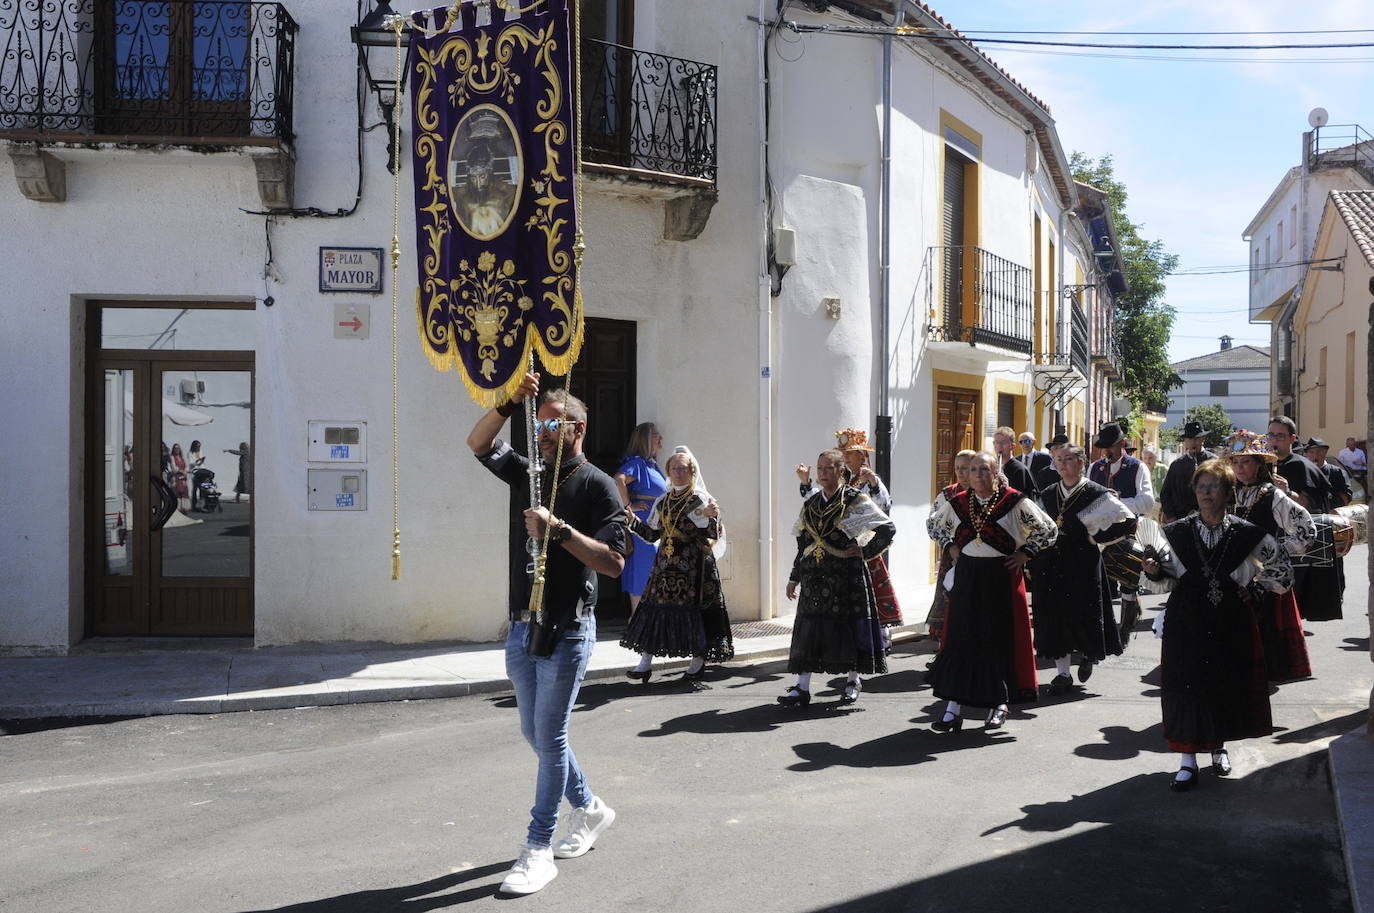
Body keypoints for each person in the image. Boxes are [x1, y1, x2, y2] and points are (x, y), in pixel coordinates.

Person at [466, 372, 628, 896]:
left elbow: (613, 563)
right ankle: (590, 808)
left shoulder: (599, 485)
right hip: (522, 623)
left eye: (551, 423)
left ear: (576, 427)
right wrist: (512, 400)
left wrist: (559, 531)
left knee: (550, 735)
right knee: (534, 735)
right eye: (538, 424)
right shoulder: (529, 473)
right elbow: (478, 443)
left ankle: (538, 847)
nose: (541, 431)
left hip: (569, 624)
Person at [1143, 459, 1292, 792]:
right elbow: (1157, 583)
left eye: (1213, 487)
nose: (1205, 493)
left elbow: (1282, 570)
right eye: (1200, 487)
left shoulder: (1247, 533)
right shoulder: (1176, 532)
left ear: (1228, 492)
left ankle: (1218, 747)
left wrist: (1254, 587)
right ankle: (1186, 760)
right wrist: (1153, 570)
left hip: (1230, 620)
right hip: (1187, 619)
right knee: (1186, 686)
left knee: (1223, 682)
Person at [925, 451, 1057, 731]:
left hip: (1001, 576)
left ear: (996, 472)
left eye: (984, 470)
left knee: (998, 640)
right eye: (973, 470)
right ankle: (952, 709)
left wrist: (1026, 553)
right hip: (969, 577)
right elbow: (933, 525)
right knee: (961, 640)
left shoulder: (1014, 501)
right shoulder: (958, 503)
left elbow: (1048, 529)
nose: (977, 475)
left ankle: (999, 703)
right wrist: (950, 547)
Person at [779, 449, 895, 709]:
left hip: (847, 578)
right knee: (809, 631)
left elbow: (887, 528)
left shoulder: (855, 500)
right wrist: (793, 577)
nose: (822, 474)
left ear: (841, 471)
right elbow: (804, 543)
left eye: (828, 468)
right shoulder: (811, 504)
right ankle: (802, 687)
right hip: (814, 580)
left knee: (849, 630)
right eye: (820, 469)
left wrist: (865, 551)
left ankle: (853, 681)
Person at [620, 446, 732, 683]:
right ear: (668, 472)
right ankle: (644, 663)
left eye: (683, 468)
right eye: (674, 468)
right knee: (653, 610)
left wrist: (713, 516)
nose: (678, 472)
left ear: (691, 471)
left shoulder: (699, 499)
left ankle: (698, 662)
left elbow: (712, 534)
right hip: (665, 565)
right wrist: (632, 521)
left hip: (694, 568)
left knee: (696, 613)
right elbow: (652, 535)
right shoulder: (663, 501)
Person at [1032, 444, 1136, 695]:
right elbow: (1034, 526)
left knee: (1084, 612)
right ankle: (1063, 673)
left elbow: (1127, 521)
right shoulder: (1046, 494)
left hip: (1083, 562)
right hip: (1053, 563)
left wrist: (1097, 539)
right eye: (1058, 459)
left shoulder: (1095, 492)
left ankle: (1089, 655)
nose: (1063, 464)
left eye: (1069, 459)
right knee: (1056, 616)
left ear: (1081, 463)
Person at [1225, 432, 1314, 683]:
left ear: (1259, 464)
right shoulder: (1227, 493)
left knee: (1265, 627)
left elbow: (1305, 528)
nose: (1240, 467)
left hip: (1265, 576)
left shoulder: (1271, 495)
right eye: (1236, 462)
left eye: (1246, 461)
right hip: (1234, 573)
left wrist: (1277, 550)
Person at [797, 429, 903, 636]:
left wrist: (873, 483)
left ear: (861, 455)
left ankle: (880, 634)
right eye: (843, 452)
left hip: (863, 542)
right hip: (840, 544)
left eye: (849, 453)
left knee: (869, 588)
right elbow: (819, 505)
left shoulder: (869, 479)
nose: (845, 457)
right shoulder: (842, 481)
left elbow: (883, 505)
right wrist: (806, 483)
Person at [1089, 421, 1156, 642]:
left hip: (1127, 533)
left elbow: (1147, 503)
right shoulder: (1094, 468)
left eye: (1110, 446)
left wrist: (1119, 502)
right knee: (1100, 586)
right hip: (1100, 535)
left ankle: (1125, 630)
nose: (1106, 451)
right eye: (1103, 446)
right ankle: (1103, 633)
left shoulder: (1138, 467)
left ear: (1122, 444)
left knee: (1128, 583)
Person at [614, 423, 667, 612]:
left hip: (654, 527)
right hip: (642, 527)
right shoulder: (637, 463)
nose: (661, 439)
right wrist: (629, 507)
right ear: (645, 440)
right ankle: (637, 619)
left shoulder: (651, 465)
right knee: (642, 571)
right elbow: (618, 480)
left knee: (653, 571)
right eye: (656, 436)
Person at [925, 449, 975, 641]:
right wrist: (949, 546)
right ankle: (945, 650)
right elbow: (932, 523)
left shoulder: (986, 493)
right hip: (952, 555)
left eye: (965, 468)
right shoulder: (947, 495)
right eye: (957, 468)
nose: (961, 473)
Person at [1159, 421, 1216, 523]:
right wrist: (1171, 517)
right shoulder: (1176, 465)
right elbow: (1165, 494)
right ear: (1185, 441)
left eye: (1197, 438)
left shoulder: (1214, 462)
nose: (1193, 442)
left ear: (1203, 439)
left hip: (1209, 520)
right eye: (1189, 439)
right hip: (1180, 520)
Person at [1303, 438, 1352, 508]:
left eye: (1318, 452)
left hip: (1331, 514)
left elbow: (1345, 498)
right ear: (1307, 454)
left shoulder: (1337, 472)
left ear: (1325, 452)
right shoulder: (1302, 472)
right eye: (1311, 452)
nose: (1315, 455)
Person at [992, 426, 1036, 495]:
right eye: (996, 442)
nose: (999, 446)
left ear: (1012, 446)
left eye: (1003, 443)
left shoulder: (1020, 470)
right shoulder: (992, 467)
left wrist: (1007, 488)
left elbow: (1023, 498)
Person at [1142, 447, 1167, 518]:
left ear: (1156, 458)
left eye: (1150, 458)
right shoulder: (1139, 470)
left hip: (1161, 509)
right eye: (1145, 458)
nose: (1147, 461)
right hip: (1145, 510)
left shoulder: (1163, 469)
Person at [168, 443, 190, 512]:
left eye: (178, 448)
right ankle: (177, 508)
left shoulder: (182, 457)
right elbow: (173, 468)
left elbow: (187, 466)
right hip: (176, 477)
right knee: (177, 492)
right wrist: (180, 471)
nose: (177, 450)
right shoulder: (172, 457)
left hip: (183, 477)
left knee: (184, 492)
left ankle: (184, 507)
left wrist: (185, 472)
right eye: (175, 448)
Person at [188, 440, 206, 511]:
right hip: (195, 472)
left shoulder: (200, 451)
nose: (198, 448)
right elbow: (191, 463)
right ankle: (194, 505)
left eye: (199, 446)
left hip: (202, 471)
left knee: (202, 488)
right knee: (195, 489)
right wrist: (198, 462)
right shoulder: (190, 453)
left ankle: (201, 505)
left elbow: (201, 462)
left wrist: (201, 461)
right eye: (197, 446)